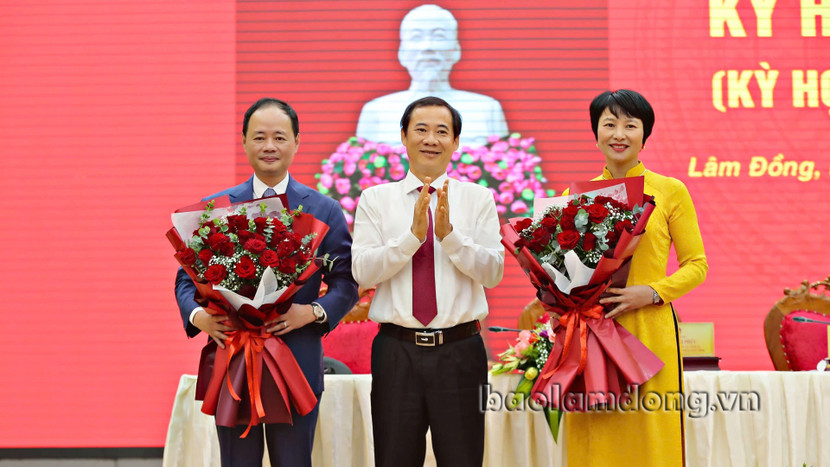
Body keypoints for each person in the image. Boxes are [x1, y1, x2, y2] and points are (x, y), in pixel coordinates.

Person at [174, 98, 359, 467]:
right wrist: (200, 317)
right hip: (232, 359)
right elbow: (186, 280)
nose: (269, 146)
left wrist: (312, 312)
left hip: (297, 361)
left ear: (296, 142)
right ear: (244, 141)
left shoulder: (324, 209)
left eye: (279, 137)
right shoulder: (216, 207)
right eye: (259, 137)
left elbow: (346, 281)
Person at [351, 96, 504, 467]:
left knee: (463, 458)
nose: (431, 139)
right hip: (396, 351)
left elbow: (493, 272)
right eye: (421, 129)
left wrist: (450, 237)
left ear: (455, 142)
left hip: (460, 351)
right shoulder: (375, 199)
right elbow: (362, 272)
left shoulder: (478, 198)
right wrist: (412, 239)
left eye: (442, 131)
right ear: (404, 136)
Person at [564, 89, 708, 466]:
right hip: (593, 332)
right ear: (595, 133)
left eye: (630, 125)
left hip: (650, 330)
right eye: (609, 124)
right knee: (596, 435)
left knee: (652, 434)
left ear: (645, 135)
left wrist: (653, 292)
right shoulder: (574, 196)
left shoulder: (670, 191)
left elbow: (696, 264)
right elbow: (564, 271)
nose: (619, 134)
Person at [356, 4, 508, 148]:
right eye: (416, 37)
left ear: (456, 50)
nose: (427, 47)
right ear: (402, 53)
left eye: (439, 36)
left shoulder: (487, 109)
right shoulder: (376, 111)